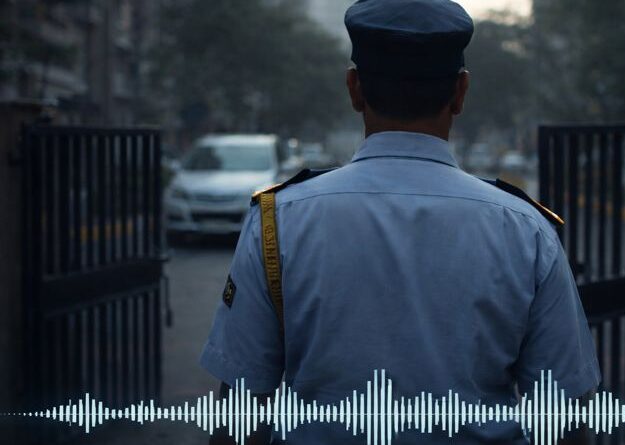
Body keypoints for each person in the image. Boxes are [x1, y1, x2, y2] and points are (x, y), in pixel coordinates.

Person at [201, 0, 600, 443]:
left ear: (354, 89)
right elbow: (563, 417)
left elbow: (239, 411)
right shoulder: (525, 229)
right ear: (460, 93)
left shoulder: (279, 220)